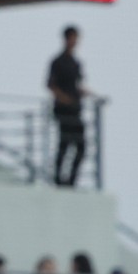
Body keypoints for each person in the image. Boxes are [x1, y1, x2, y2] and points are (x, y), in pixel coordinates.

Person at [46, 25, 89, 187]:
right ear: (66, 39)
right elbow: (50, 85)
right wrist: (64, 99)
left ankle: (70, 180)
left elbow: (78, 85)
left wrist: (90, 95)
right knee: (64, 145)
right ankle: (59, 180)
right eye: (72, 38)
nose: (74, 41)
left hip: (76, 110)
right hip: (64, 111)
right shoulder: (57, 62)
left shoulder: (76, 63)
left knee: (80, 147)